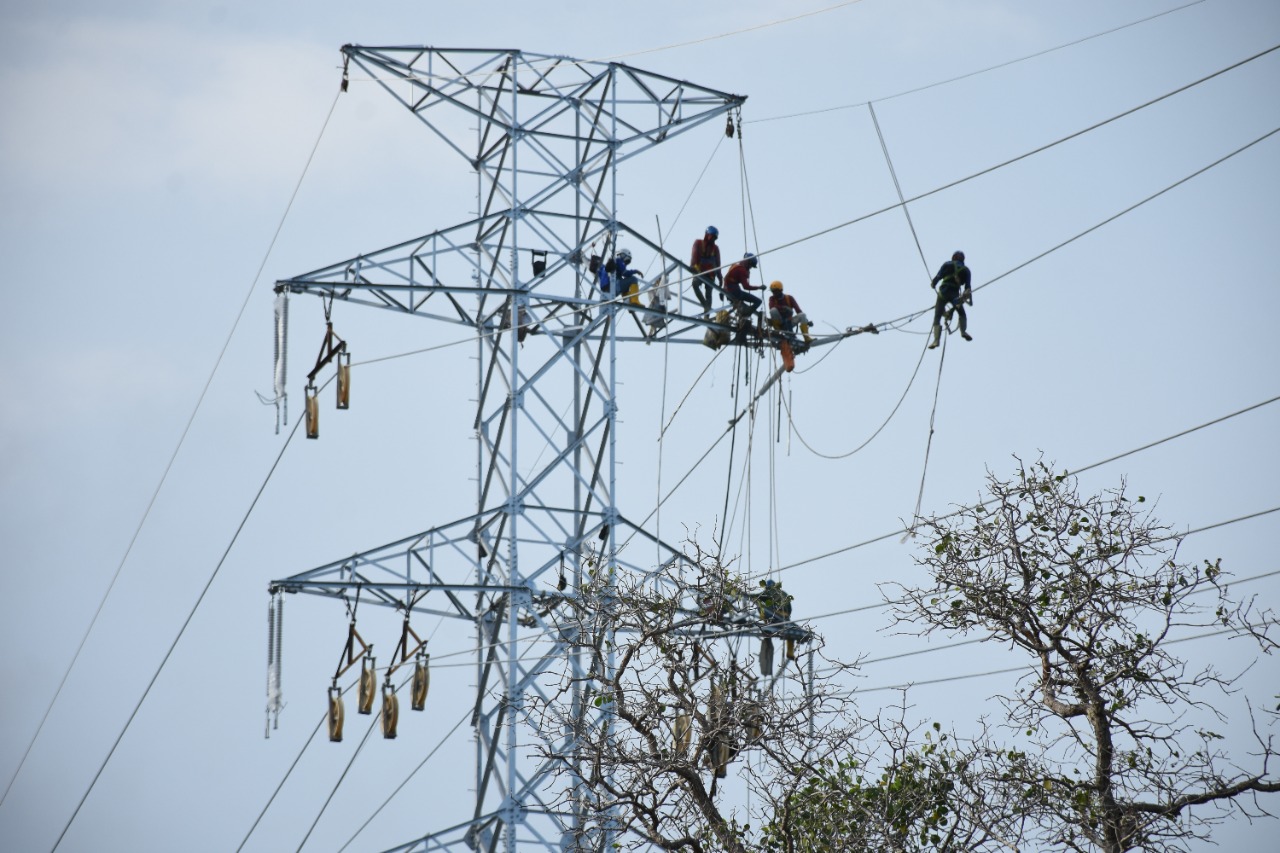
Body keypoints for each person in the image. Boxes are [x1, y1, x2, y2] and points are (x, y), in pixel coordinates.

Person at [928, 250, 972, 349]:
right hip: (954, 295)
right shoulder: (966, 270)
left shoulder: (947, 264)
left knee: (937, 316)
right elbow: (968, 287)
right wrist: (966, 295)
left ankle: (936, 340)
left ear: (953, 257)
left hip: (943, 293)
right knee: (961, 313)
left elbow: (938, 276)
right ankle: (963, 332)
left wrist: (933, 283)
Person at [690, 226, 722, 311]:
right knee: (695, 284)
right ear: (707, 235)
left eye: (714, 238)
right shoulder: (698, 243)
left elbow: (718, 264)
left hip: (710, 274)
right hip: (700, 272)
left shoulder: (715, 248)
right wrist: (693, 266)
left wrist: (720, 278)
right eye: (712, 237)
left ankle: (706, 314)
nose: (713, 239)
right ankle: (705, 305)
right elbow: (694, 255)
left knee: (709, 294)